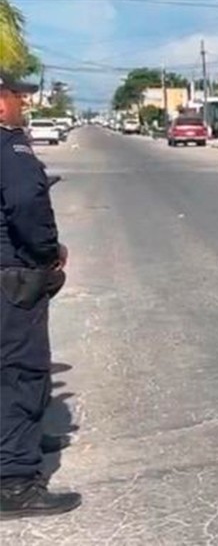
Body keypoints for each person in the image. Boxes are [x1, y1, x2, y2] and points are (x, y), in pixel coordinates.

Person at [0, 73, 82, 519]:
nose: (22, 106)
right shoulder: (10, 148)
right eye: (17, 97)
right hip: (12, 278)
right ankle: (14, 482)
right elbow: (26, 207)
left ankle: (21, 441)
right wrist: (49, 253)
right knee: (20, 372)